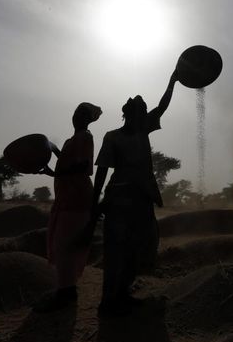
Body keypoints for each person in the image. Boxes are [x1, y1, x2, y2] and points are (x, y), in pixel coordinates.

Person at [92, 71, 178, 317]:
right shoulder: (113, 137)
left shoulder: (143, 130)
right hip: (119, 201)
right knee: (116, 251)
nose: (144, 114)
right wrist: (95, 202)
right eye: (140, 111)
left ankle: (122, 292)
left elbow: (162, 107)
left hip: (142, 199)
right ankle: (108, 302)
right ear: (130, 114)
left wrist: (172, 81)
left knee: (141, 245)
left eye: (144, 111)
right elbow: (102, 171)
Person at [33, 102, 102, 313]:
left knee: (66, 246)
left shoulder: (86, 136)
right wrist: (52, 156)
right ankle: (66, 290)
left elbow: (82, 167)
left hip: (77, 198)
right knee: (63, 244)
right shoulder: (72, 140)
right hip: (67, 198)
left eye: (82, 114)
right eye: (76, 113)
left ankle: (67, 292)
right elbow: (67, 164)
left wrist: (58, 172)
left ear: (88, 119)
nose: (77, 117)